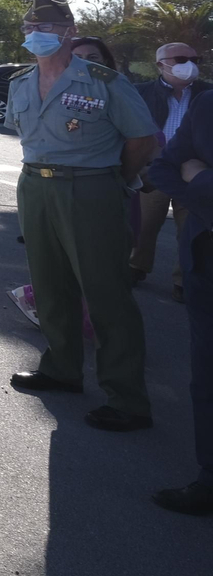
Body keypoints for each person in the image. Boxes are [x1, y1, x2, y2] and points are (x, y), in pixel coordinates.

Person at [4, 0, 158, 431]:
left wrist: (114, 180)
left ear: (69, 32)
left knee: (107, 293)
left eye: (45, 28)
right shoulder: (20, 82)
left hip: (90, 189)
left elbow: (142, 140)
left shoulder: (103, 81)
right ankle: (62, 370)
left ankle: (127, 399)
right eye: (29, 28)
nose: (35, 35)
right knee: (50, 285)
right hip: (34, 185)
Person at [145, 92, 213, 515]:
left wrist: (201, 179)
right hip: (205, 263)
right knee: (206, 379)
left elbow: (189, 175)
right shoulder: (208, 104)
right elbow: (164, 168)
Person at [133, 42, 208, 302]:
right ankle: (136, 266)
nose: (190, 65)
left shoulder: (207, 94)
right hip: (154, 170)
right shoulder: (141, 92)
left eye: (195, 60)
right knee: (144, 225)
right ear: (160, 64)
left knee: (190, 231)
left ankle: (184, 280)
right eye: (181, 59)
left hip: (193, 172)